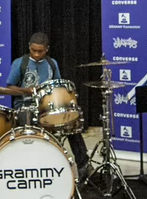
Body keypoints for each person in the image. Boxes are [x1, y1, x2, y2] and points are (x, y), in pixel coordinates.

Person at [6, 33, 90, 177]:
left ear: (47, 49)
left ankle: (84, 166)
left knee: (71, 124)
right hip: (25, 106)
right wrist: (28, 91)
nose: (37, 54)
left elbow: (58, 87)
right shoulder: (20, 63)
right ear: (29, 47)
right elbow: (9, 88)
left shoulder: (52, 63)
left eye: (41, 51)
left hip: (46, 108)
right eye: (34, 50)